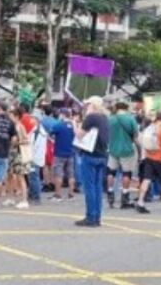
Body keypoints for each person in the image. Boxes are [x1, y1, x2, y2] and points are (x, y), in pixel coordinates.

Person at [76, 97, 111, 227]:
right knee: (97, 188)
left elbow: (79, 135)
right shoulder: (104, 117)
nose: (86, 107)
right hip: (102, 155)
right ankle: (97, 217)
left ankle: (90, 217)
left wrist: (75, 124)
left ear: (93, 105)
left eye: (88, 104)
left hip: (90, 154)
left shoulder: (91, 118)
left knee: (89, 187)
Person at [106, 102, 138, 209]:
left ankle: (110, 194)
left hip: (113, 149)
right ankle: (125, 197)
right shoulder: (130, 119)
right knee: (126, 173)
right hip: (126, 149)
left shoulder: (110, 119)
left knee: (111, 172)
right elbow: (135, 135)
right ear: (126, 108)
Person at [6, 108, 30, 210]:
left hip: (18, 153)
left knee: (20, 177)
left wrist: (17, 142)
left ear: (16, 116)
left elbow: (26, 140)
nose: (9, 118)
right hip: (11, 153)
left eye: (11, 116)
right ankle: (10, 198)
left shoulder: (20, 126)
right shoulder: (11, 126)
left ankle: (24, 200)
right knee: (9, 176)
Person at [49, 110, 76, 202]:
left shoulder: (59, 125)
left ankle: (58, 195)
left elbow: (50, 134)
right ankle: (71, 194)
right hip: (71, 152)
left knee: (58, 174)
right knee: (71, 174)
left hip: (59, 153)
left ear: (62, 115)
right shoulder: (73, 126)